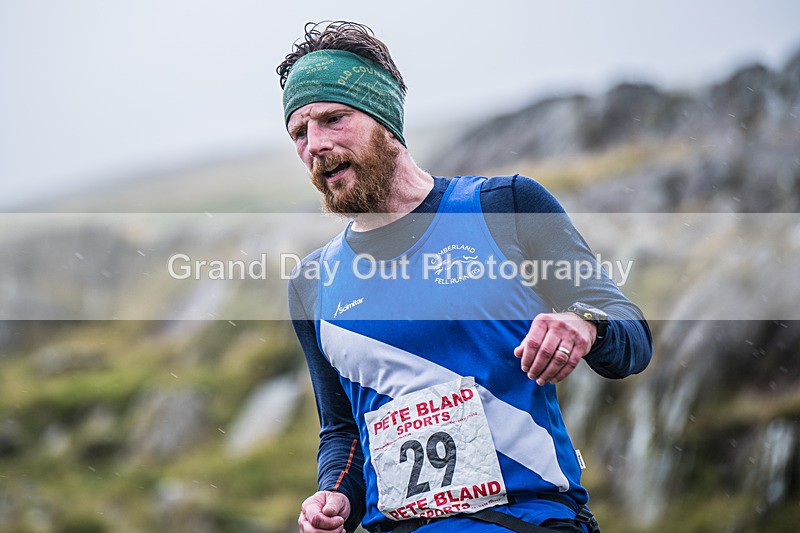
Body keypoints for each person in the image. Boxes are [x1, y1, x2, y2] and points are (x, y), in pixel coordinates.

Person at [280, 21, 652, 533]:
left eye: (332, 119)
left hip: (529, 520)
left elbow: (631, 333)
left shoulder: (505, 207)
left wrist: (585, 324)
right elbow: (342, 429)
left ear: (384, 118)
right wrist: (332, 496)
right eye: (299, 133)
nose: (313, 145)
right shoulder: (311, 283)